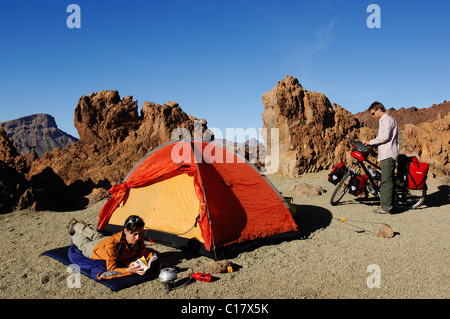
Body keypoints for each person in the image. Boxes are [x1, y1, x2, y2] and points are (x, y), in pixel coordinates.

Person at [67, 215, 151, 276]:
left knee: (95, 235)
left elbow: (142, 251)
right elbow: (111, 269)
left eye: (140, 233)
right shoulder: (113, 245)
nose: (138, 237)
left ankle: (77, 225)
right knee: (82, 242)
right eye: (134, 234)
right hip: (94, 249)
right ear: (125, 231)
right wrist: (128, 270)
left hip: (104, 239)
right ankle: (74, 228)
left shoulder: (139, 237)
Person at [363, 101, 399, 214]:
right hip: (385, 154)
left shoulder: (387, 119)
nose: (372, 116)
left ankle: (386, 207)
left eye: (373, 113)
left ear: (379, 110)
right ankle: (387, 204)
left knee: (386, 181)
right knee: (386, 180)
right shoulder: (383, 120)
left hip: (388, 154)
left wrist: (371, 142)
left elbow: (385, 137)